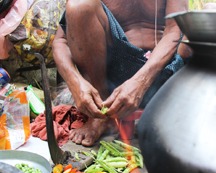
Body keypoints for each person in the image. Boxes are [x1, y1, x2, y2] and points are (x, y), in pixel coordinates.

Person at [52, 0, 191, 147]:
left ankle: (190, 109)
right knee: (79, 6)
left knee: (212, 14)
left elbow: (175, 30)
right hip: (113, 73)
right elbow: (60, 41)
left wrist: (140, 82)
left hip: (166, 69)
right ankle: (101, 114)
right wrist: (76, 82)